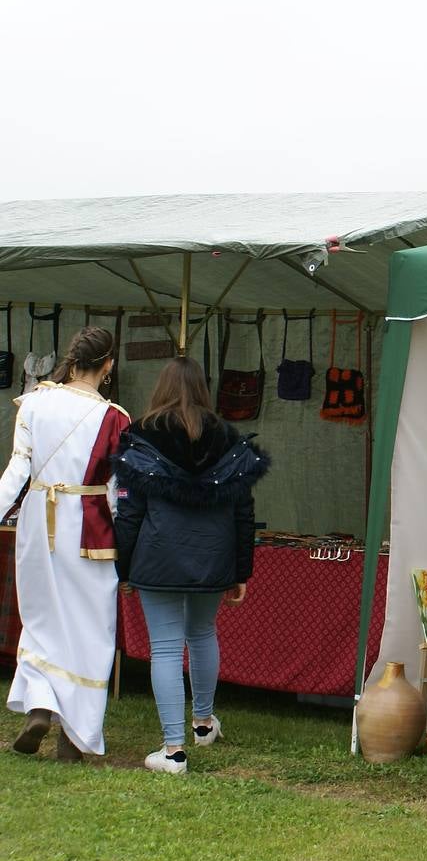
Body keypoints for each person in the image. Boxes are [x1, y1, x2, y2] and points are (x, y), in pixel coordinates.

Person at [113, 356, 269, 774]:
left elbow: (128, 513)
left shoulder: (139, 437)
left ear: (160, 387)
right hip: (213, 558)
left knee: (165, 647)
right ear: (204, 387)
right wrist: (241, 572)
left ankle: (173, 751)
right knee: (202, 633)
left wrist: (122, 569)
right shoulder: (228, 437)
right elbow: (243, 512)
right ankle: (203, 723)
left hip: (157, 558)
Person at [0, 326, 128, 761]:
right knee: (90, 626)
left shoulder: (34, 403)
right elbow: (115, 491)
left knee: (40, 618)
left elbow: (17, 471)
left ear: (74, 359)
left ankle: (40, 704)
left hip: (38, 519)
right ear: (108, 365)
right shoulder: (115, 418)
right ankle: (74, 736)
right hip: (89, 528)